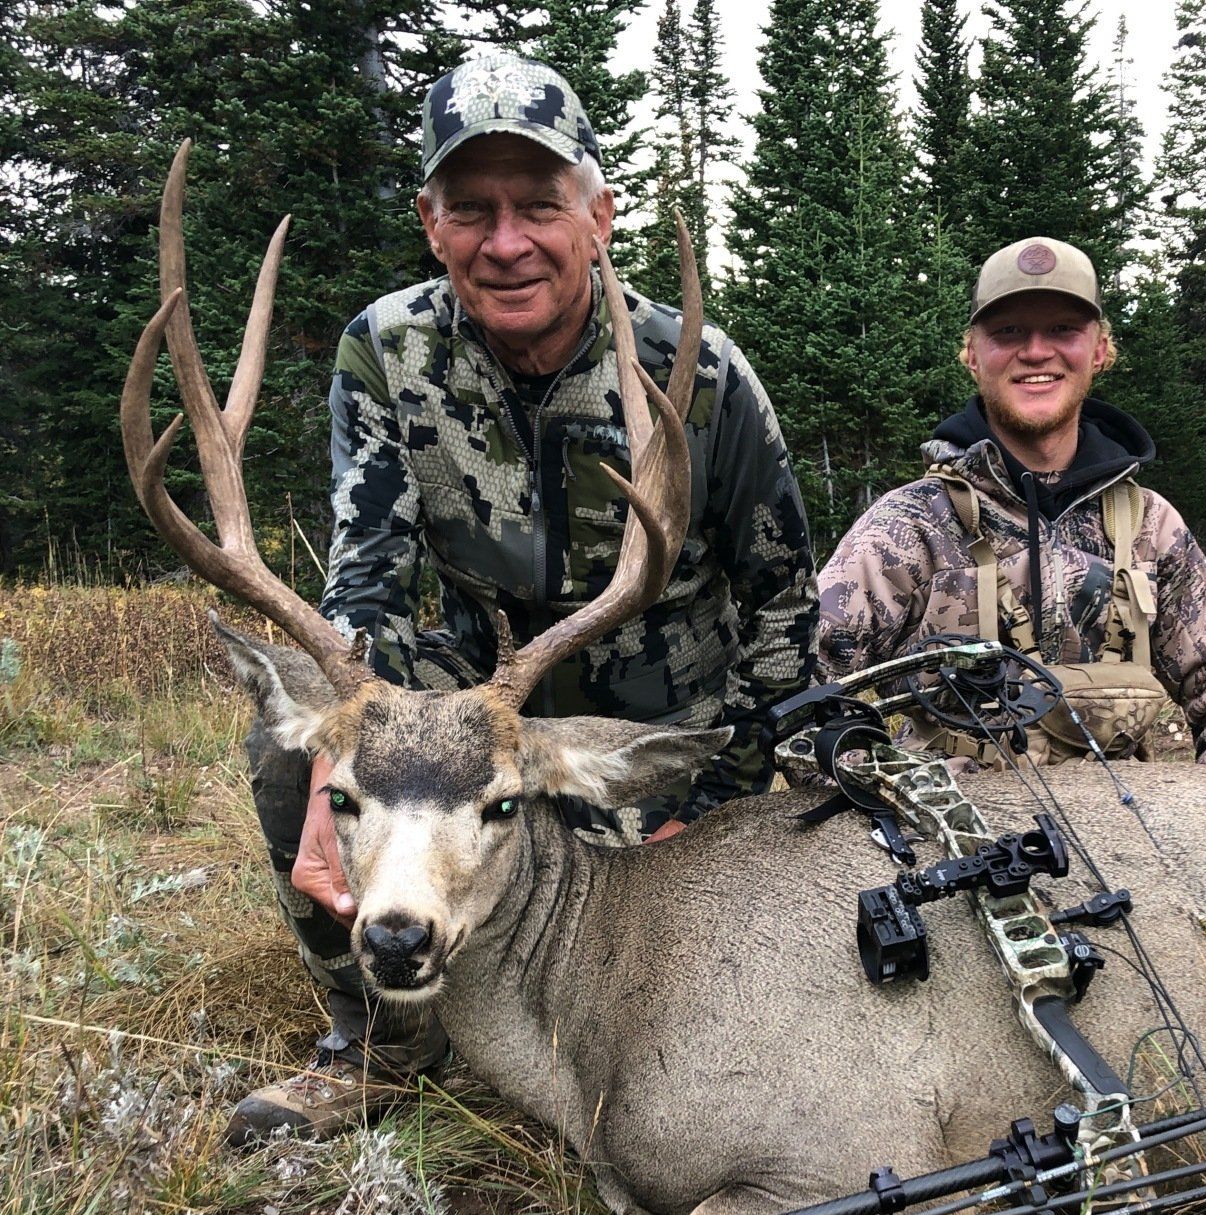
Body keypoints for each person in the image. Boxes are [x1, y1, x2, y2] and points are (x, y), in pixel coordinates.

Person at [232, 52, 817, 1145]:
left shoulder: (700, 376)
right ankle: (382, 1048)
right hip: (470, 721)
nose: (507, 243)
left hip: (649, 736)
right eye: (473, 210)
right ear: (430, 220)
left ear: (598, 214)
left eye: (540, 206)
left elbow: (784, 611)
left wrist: (723, 794)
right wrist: (339, 763)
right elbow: (363, 579)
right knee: (286, 743)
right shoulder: (387, 352)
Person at [815, 236, 1206, 770]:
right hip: (954, 841)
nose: (1036, 351)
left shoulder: (1151, 526)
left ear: (1099, 349)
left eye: (1062, 329)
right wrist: (881, 804)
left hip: (1122, 835)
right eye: (1008, 331)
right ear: (972, 354)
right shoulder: (909, 526)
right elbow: (807, 692)